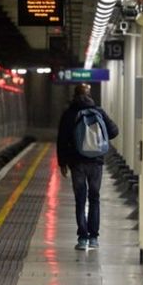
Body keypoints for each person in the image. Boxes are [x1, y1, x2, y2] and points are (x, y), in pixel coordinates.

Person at [56, 83, 119, 250]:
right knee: (94, 198)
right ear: (89, 95)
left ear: (74, 95)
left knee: (80, 199)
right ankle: (94, 238)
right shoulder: (98, 111)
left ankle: (82, 238)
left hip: (76, 162)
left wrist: (62, 162)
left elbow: (61, 140)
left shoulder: (69, 114)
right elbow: (114, 131)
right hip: (96, 162)